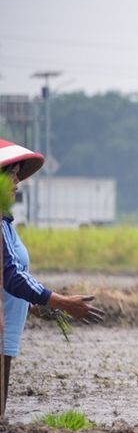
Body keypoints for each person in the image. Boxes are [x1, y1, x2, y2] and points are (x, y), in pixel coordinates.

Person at [0, 137, 105, 417]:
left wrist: (32, 306)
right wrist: (61, 302)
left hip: (6, 333)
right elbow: (12, 274)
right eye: (11, 174)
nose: (17, 182)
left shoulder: (6, 223)